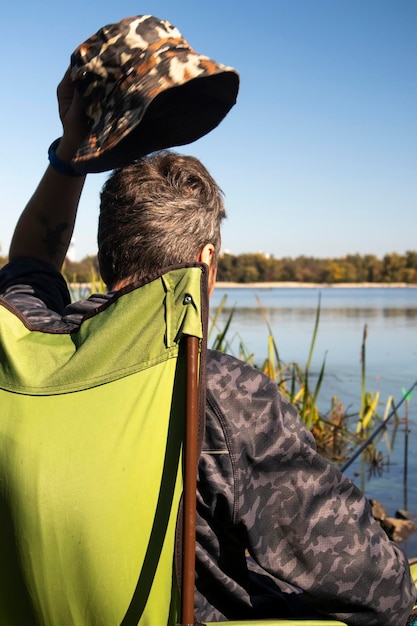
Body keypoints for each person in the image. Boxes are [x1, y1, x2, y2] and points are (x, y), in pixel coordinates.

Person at [1, 68, 416, 626]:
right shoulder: (223, 393)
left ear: (103, 259)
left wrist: (74, 143)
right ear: (206, 264)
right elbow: (380, 587)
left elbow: (28, 261)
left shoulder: (23, 341)